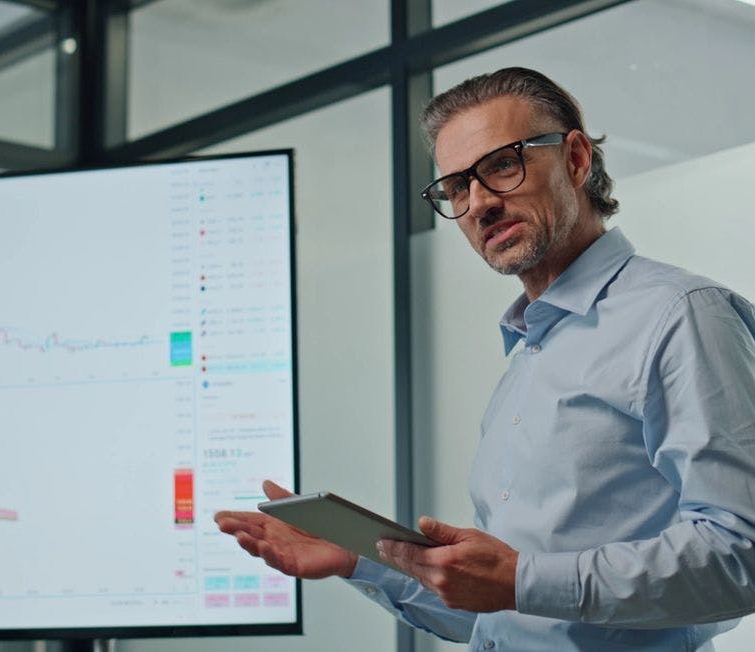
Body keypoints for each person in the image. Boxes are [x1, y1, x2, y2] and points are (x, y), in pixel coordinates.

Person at [215, 67, 755, 650]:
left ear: (576, 159)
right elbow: (504, 616)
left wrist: (521, 579)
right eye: (455, 188)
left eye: (502, 166)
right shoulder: (530, 352)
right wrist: (361, 563)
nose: (478, 204)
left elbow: (741, 553)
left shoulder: (681, 316)